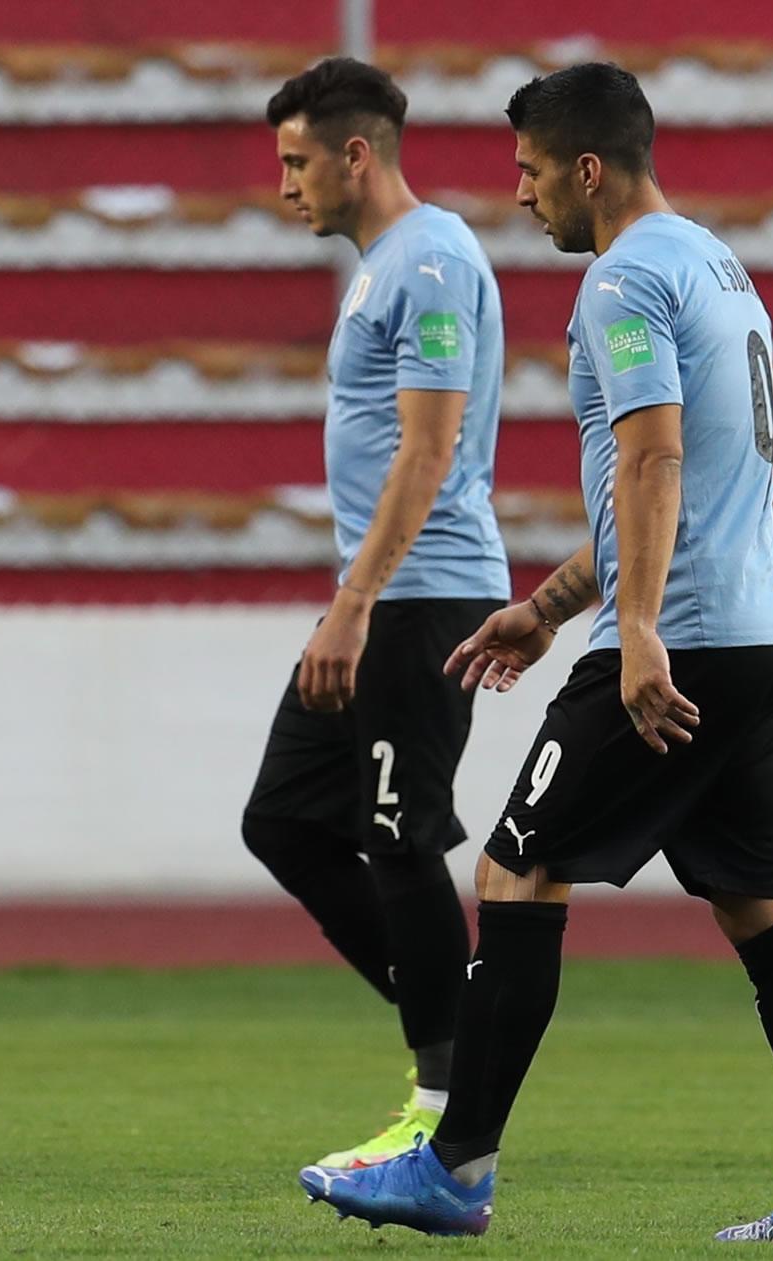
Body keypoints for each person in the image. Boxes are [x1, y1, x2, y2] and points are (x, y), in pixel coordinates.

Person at [299, 63, 773, 1242]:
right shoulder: (715, 263)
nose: (521, 198)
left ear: (586, 169)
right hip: (769, 634)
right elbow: (710, 476)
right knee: (765, 906)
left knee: (516, 870)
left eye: (529, 173)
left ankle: (454, 1166)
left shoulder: (622, 278)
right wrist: (554, 603)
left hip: (684, 642)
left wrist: (631, 631)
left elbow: (658, 460)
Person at [242, 57, 511, 1169]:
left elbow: (432, 446)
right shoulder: (384, 266)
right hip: (380, 593)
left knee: (400, 838)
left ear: (358, 154)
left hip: (423, 594)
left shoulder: (434, 260)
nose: (287, 186)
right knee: (288, 821)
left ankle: (445, 1105)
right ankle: (458, 1030)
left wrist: (352, 605)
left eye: (298, 161)